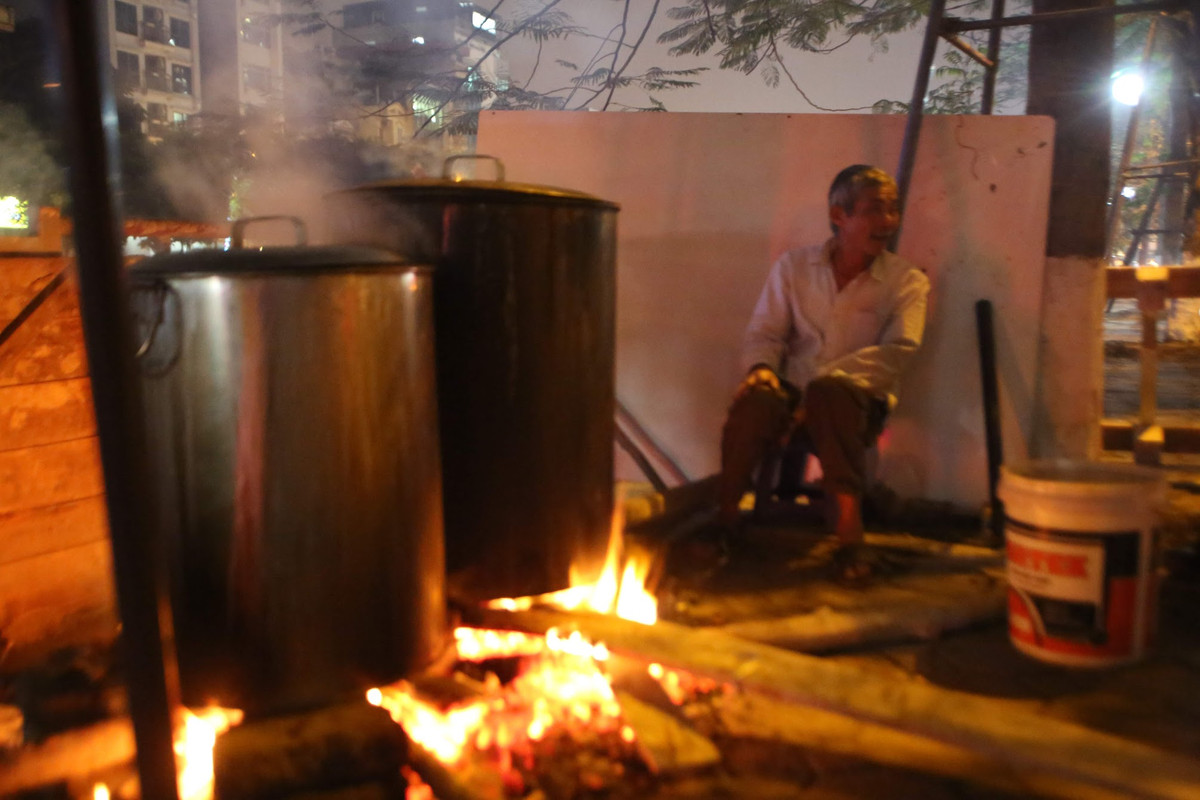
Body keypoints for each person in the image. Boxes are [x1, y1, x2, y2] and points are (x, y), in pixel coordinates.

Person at [717, 164, 930, 581]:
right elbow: (765, 332)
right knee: (754, 401)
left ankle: (850, 537)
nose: (887, 221)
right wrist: (761, 370)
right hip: (792, 392)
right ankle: (724, 521)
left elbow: (898, 352)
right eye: (874, 210)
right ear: (839, 216)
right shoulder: (793, 268)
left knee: (830, 397)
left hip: (855, 401)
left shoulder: (906, 281)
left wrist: (818, 392)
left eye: (893, 210)